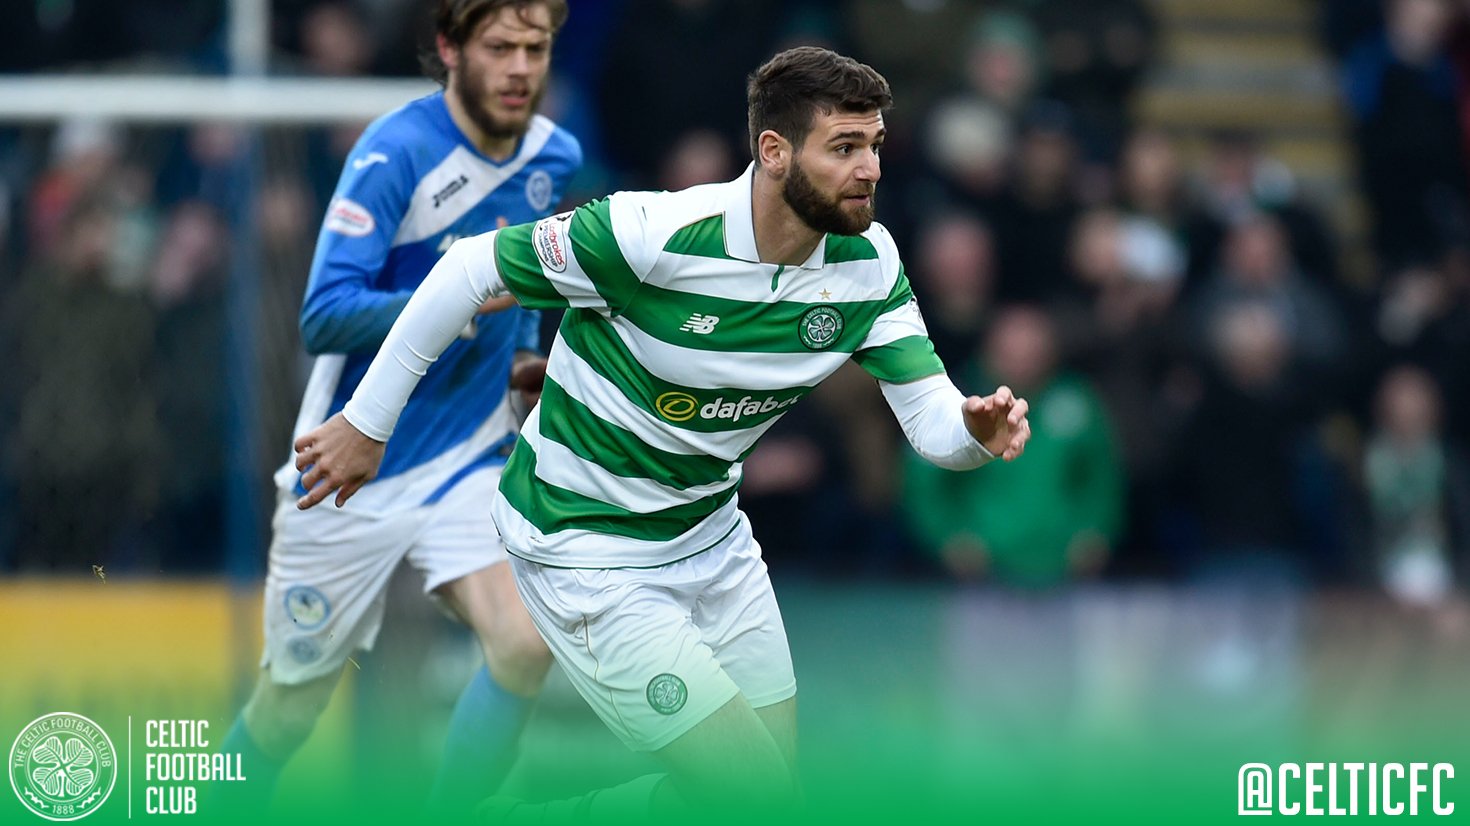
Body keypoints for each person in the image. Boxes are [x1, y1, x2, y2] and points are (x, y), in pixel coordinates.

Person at [291, 46, 1031, 821]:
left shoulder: (868, 266)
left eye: (875, 145)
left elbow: (931, 426)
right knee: (751, 794)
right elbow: (469, 271)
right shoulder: (654, 234)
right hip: (584, 549)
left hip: (713, 543)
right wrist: (366, 425)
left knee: (771, 798)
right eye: (844, 148)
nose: (870, 168)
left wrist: (973, 429)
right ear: (774, 153)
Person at [215, 0, 580, 817]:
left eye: (537, 47)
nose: (521, 68)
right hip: (348, 467)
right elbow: (325, 314)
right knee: (286, 713)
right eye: (499, 47)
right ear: (449, 48)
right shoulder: (394, 152)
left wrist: (523, 354)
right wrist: (460, 298)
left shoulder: (557, 156)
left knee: (524, 647)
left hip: (466, 457)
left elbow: (516, 278)